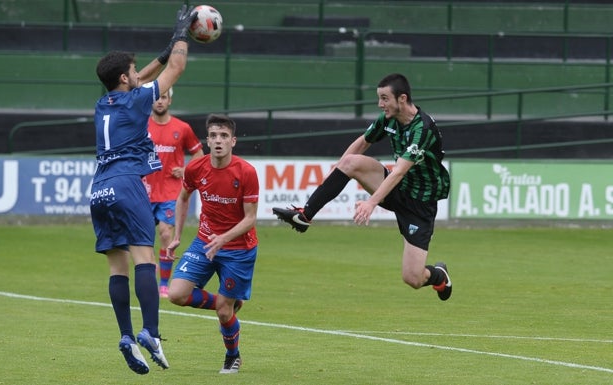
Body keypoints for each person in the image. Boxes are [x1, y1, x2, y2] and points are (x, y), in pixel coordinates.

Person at [273, 73, 453, 301]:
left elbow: (399, 171)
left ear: (402, 98)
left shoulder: (422, 128)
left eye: (385, 98)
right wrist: (338, 169)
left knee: (413, 278)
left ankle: (439, 276)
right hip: (396, 187)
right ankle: (305, 215)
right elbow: (363, 141)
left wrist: (371, 203)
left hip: (420, 202)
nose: (380, 104)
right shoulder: (388, 119)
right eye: (379, 98)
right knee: (350, 162)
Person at [89, 4, 198, 375]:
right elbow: (176, 70)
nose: (138, 74)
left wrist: (162, 53)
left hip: (99, 190)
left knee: (116, 268)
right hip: (126, 183)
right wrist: (182, 36)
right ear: (123, 77)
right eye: (132, 70)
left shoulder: (104, 103)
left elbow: (140, 80)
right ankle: (150, 332)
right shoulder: (136, 100)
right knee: (145, 260)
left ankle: (124, 336)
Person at [167, 114, 259, 375]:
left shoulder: (246, 172)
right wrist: (176, 236)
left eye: (224, 136)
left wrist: (224, 238)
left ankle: (233, 356)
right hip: (204, 243)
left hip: (239, 250)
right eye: (214, 136)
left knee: (222, 313)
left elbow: (250, 218)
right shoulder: (196, 168)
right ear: (207, 141)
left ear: (233, 141)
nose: (218, 141)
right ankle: (227, 302)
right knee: (176, 294)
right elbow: (183, 198)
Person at [142, 87, 204, 299]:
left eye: (164, 97)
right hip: (144, 190)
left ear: (170, 101)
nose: (160, 101)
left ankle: (164, 284)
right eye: (157, 98)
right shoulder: (141, 125)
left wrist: (186, 169)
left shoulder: (182, 128)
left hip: (171, 191)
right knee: (143, 239)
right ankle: (150, 273)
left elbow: (199, 154)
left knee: (166, 234)